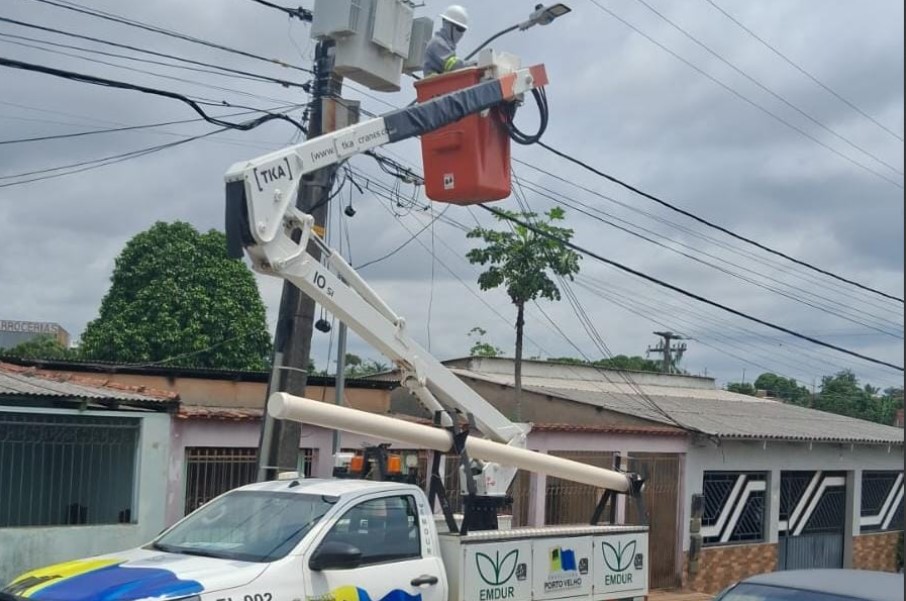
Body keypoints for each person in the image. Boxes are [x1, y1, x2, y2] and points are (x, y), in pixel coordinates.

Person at [423, 5, 473, 76]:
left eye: (463, 30)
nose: (461, 34)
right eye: (460, 29)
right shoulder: (437, 43)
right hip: (435, 84)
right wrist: (474, 65)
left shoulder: (446, 46)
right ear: (448, 25)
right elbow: (453, 65)